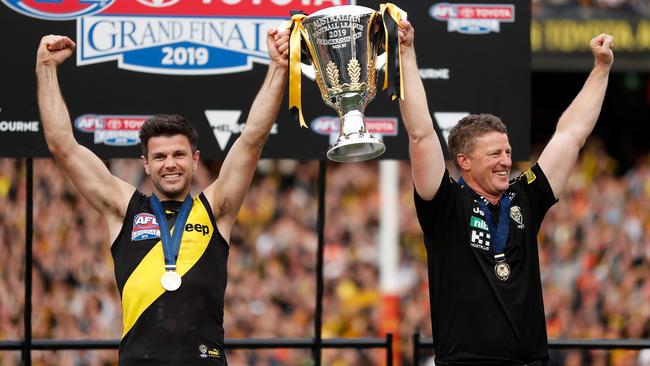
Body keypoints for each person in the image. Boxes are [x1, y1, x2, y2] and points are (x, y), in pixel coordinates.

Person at [36, 28, 289, 365]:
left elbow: (253, 138)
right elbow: (62, 146)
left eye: (179, 155)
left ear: (195, 159)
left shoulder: (216, 208)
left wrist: (278, 66)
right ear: (146, 164)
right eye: (160, 157)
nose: (170, 164)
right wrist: (46, 68)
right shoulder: (123, 208)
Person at [397, 19, 614, 365]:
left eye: (508, 152)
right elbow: (420, 134)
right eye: (495, 154)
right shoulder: (445, 204)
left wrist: (601, 69)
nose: (506, 161)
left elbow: (571, 135)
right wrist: (407, 54)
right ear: (464, 161)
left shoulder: (524, 196)